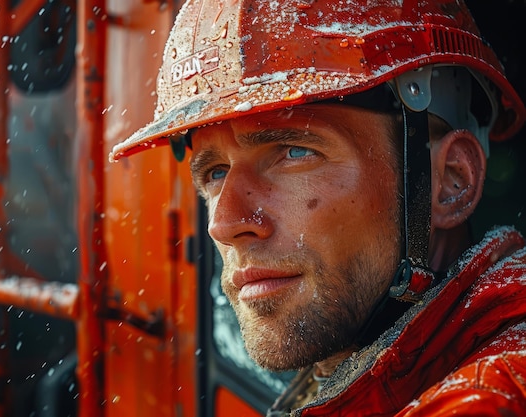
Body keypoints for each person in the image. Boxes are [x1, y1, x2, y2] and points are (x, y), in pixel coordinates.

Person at [111, 0, 526, 415]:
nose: (224, 223)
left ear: (450, 180)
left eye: (294, 151)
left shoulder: (490, 396)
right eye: (216, 173)